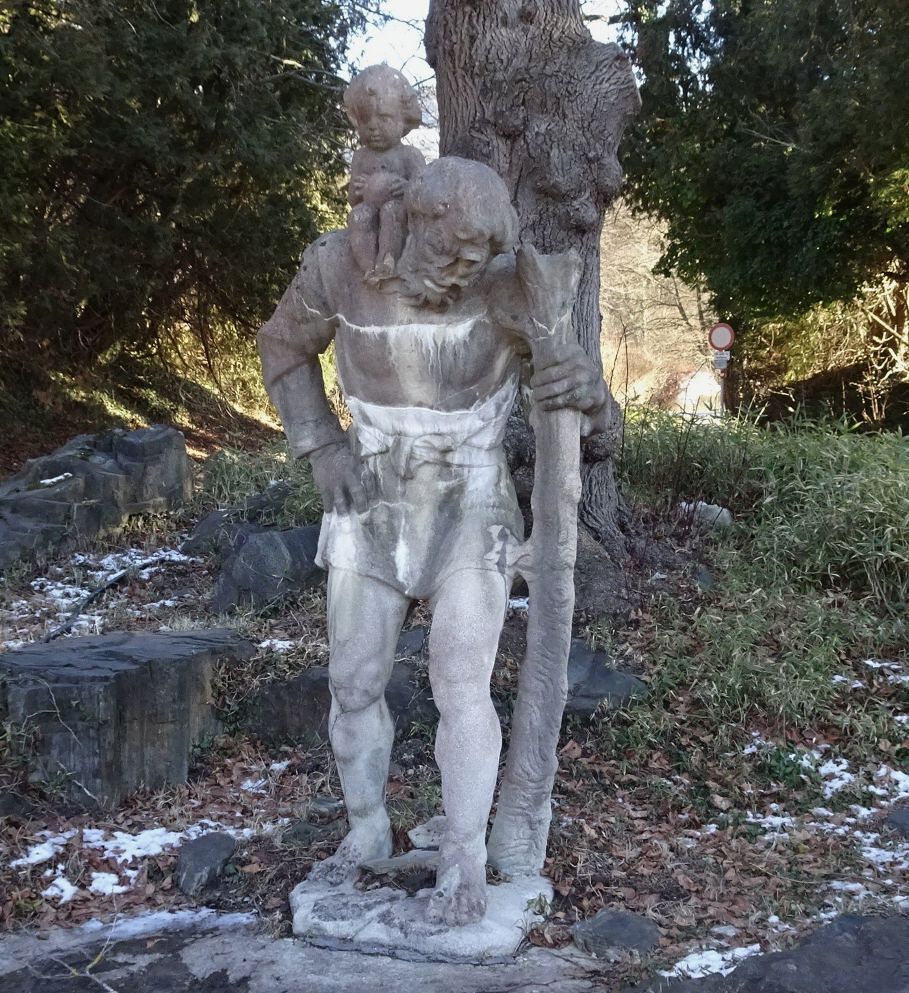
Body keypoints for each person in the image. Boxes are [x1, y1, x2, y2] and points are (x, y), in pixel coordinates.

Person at [258, 156, 609, 926]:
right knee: (353, 680)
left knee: (459, 682)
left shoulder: (512, 287)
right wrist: (320, 447)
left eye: (479, 257)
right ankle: (364, 829)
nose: (465, 270)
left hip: (471, 500)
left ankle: (464, 856)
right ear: (416, 220)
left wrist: (582, 390)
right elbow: (281, 347)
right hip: (370, 492)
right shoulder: (337, 266)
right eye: (453, 252)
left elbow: (594, 413)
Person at [344, 65, 425, 283]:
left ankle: (387, 261)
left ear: (403, 120)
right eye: (365, 121)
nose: (373, 127)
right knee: (359, 216)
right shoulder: (361, 157)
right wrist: (359, 190)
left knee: (392, 211)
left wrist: (407, 188)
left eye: (384, 119)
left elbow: (423, 194)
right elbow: (352, 200)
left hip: (399, 211)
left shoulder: (409, 155)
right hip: (370, 208)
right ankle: (367, 266)